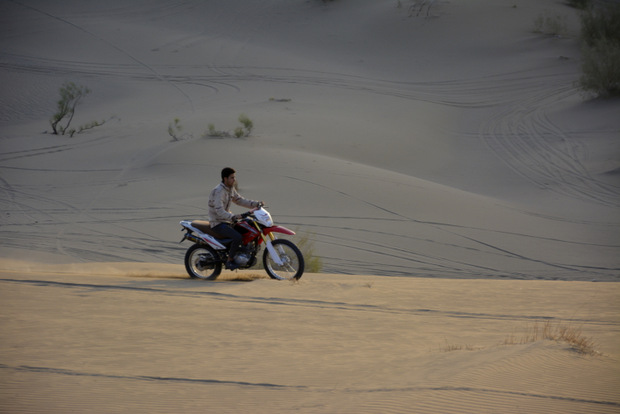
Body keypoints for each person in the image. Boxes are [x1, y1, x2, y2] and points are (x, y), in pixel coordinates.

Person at [208, 167, 262, 270]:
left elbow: (239, 200)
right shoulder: (219, 191)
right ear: (225, 178)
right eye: (232, 178)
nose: (234, 180)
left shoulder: (230, 188)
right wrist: (233, 216)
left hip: (227, 220)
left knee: (247, 225)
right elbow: (219, 211)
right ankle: (229, 261)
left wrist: (256, 204)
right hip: (217, 223)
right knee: (237, 237)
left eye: (234, 177)